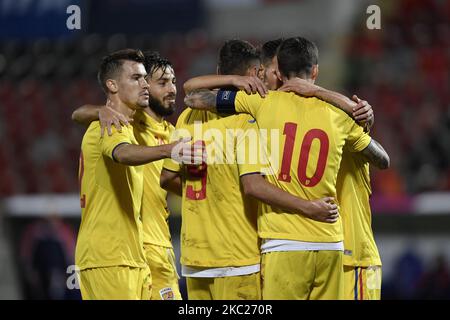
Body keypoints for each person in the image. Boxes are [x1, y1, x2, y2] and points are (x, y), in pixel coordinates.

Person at [185, 37, 390, 300]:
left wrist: (234, 83)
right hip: (332, 241)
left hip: (292, 243)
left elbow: (194, 96)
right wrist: (338, 101)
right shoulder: (340, 113)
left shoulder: (261, 106)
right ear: (315, 70)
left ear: (279, 73)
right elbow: (383, 160)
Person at [160, 40, 337, 300]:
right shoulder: (249, 119)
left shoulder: (188, 117)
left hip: (195, 256)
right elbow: (253, 186)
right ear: (255, 74)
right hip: (239, 255)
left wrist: (206, 195)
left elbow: (167, 177)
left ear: (220, 70)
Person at [260, 39, 384, 300]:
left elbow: (383, 159)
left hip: (353, 251)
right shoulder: (273, 116)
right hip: (323, 246)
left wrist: (327, 97)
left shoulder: (336, 113)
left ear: (279, 73)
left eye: (271, 71)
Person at [75, 49, 191, 300]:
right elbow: (121, 152)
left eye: (173, 82)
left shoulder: (169, 130)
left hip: (138, 250)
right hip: (114, 252)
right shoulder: (119, 124)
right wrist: (101, 111)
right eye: (141, 79)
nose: (170, 89)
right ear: (113, 85)